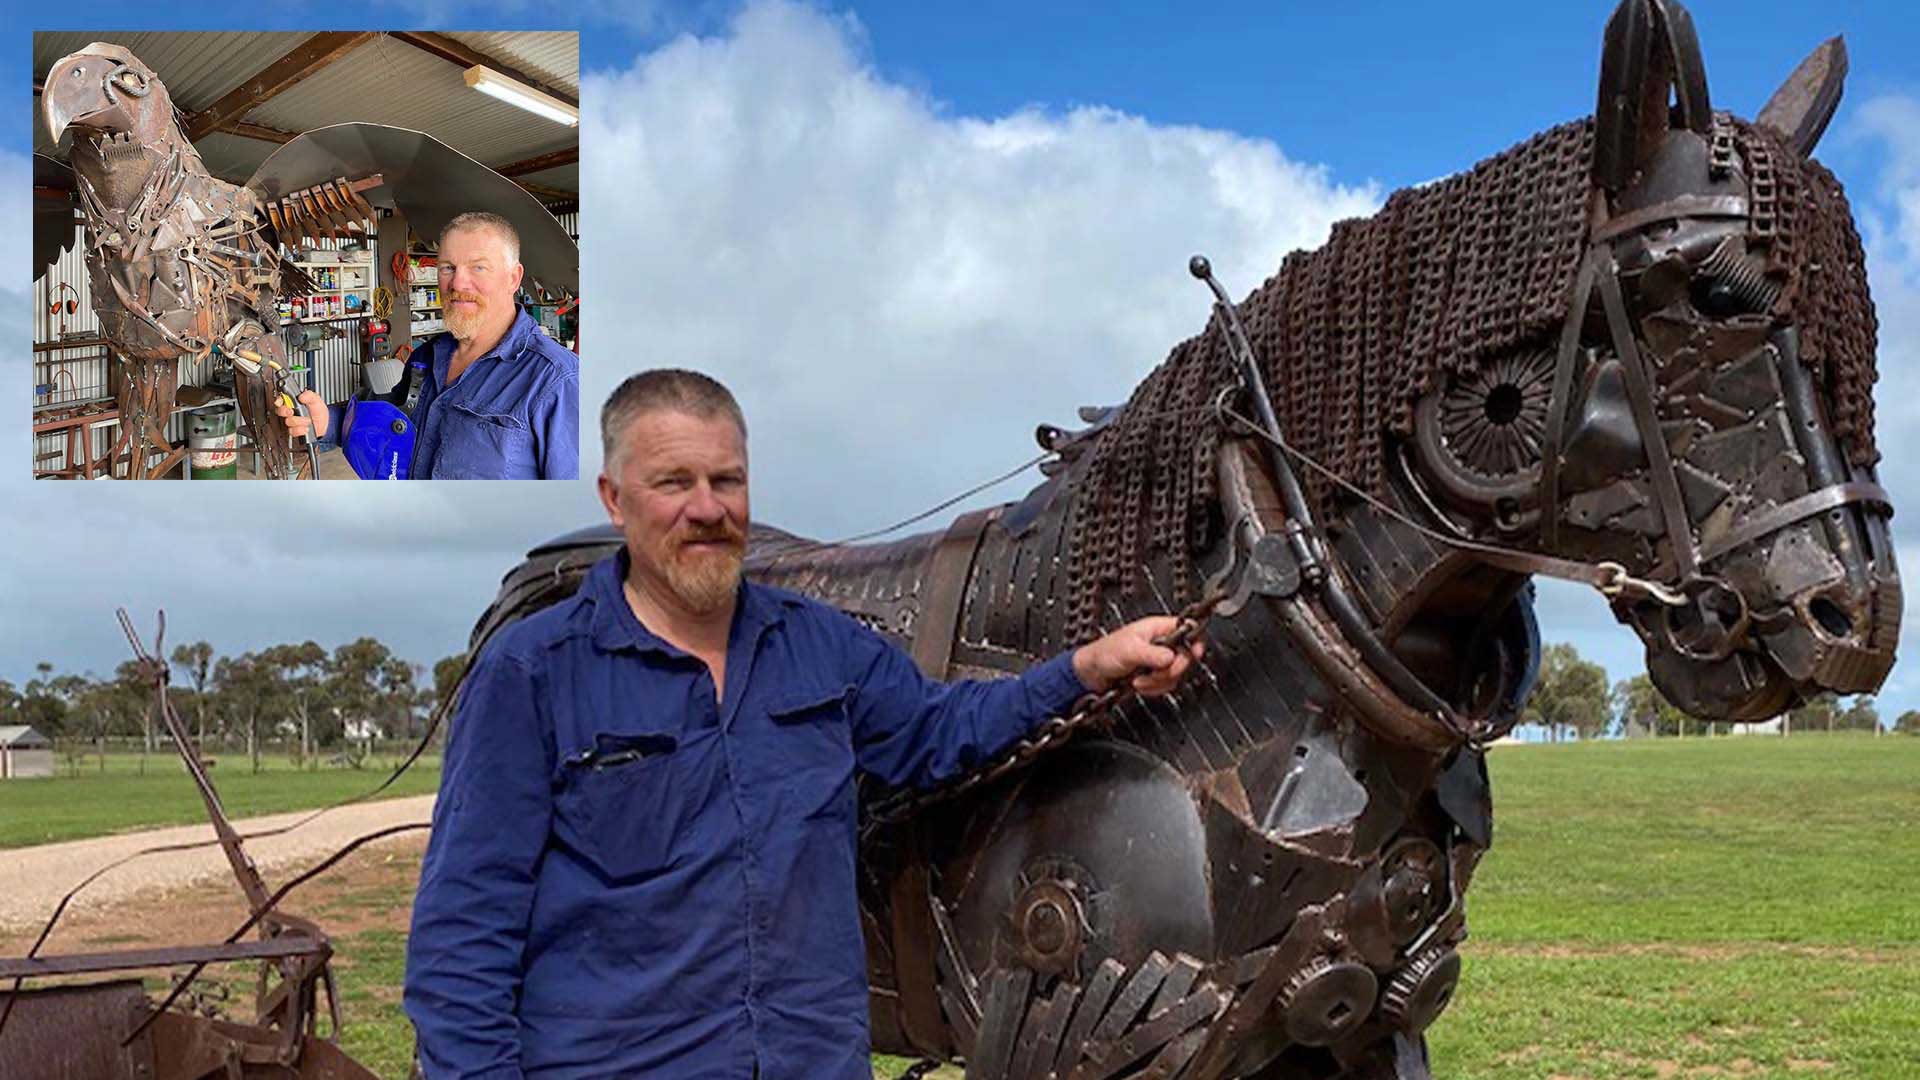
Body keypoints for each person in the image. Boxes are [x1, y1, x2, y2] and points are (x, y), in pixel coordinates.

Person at [402, 369, 1204, 1078]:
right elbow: (463, 939)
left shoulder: (817, 646)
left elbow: (941, 729)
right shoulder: (533, 674)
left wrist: (1087, 669)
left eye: (728, 480)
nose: (707, 509)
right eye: (673, 483)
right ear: (614, 500)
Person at [280, 211, 578, 479]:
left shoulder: (556, 381)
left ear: (514, 278)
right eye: (448, 267)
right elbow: (392, 422)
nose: (458, 284)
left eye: (478, 268)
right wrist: (327, 421)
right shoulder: (427, 356)